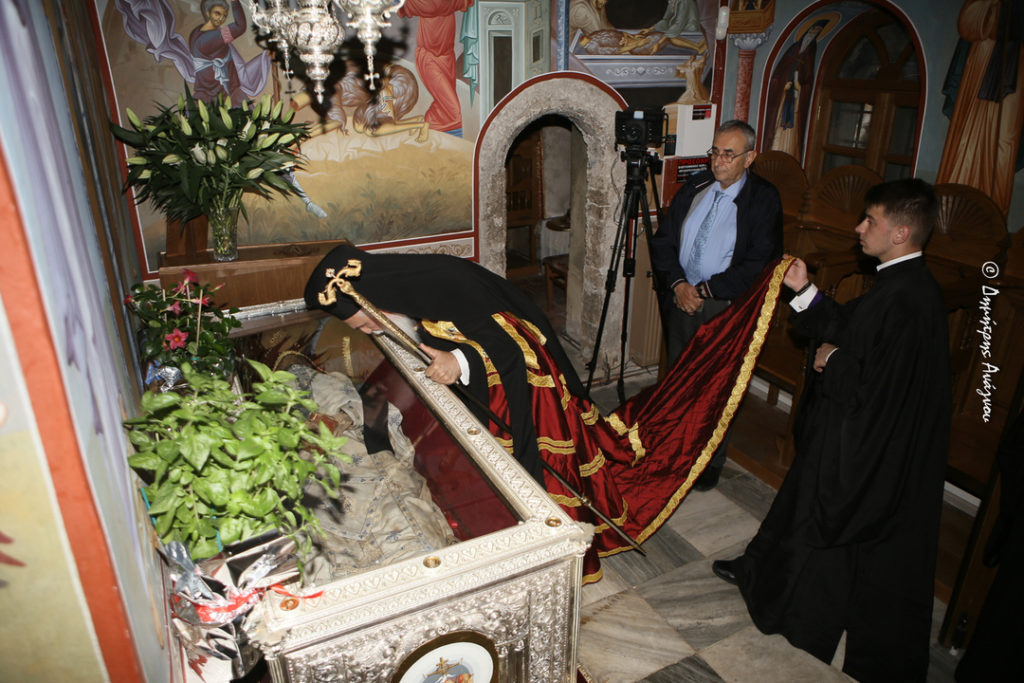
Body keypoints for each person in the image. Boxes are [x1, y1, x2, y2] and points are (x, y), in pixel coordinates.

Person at [712, 178, 951, 682]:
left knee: (828, 517)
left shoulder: (909, 300)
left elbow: (879, 387)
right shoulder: (897, 284)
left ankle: (790, 600)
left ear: (901, 232)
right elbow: (852, 332)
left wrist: (833, 360)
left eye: (871, 221)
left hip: (865, 446)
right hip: (850, 433)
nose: (859, 228)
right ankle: (765, 574)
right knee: (802, 504)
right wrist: (804, 292)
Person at [304, 243, 587, 484]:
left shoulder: (447, 281)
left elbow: (517, 344)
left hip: (533, 403)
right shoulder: (401, 293)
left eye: (366, 324)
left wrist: (460, 361)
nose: (370, 332)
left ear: (374, 302)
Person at [649, 119, 783, 489]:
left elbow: (760, 262)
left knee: (714, 389)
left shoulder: (763, 198)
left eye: (728, 154)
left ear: (749, 157)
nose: (718, 161)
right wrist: (679, 285)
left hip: (724, 307)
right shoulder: (697, 185)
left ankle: (707, 462)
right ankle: (672, 450)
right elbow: (664, 241)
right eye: (715, 152)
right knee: (678, 382)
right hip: (681, 298)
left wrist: (704, 291)